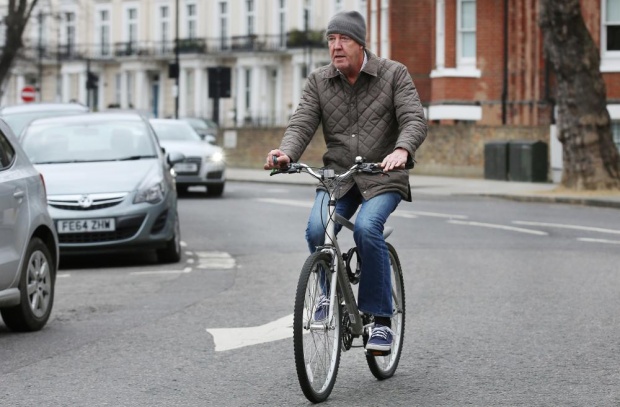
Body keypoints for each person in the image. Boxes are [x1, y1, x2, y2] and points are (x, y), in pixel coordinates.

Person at [264, 10, 427, 352]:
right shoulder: (319, 81)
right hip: (339, 177)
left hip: (384, 175)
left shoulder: (393, 74)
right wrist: (286, 154)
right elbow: (302, 123)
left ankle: (380, 320)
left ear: (360, 43)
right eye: (331, 40)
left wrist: (401, 149)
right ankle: (326, 294)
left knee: (368, 228)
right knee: (315, 229)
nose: (336, 47)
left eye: (344, 40)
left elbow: (414, 118)